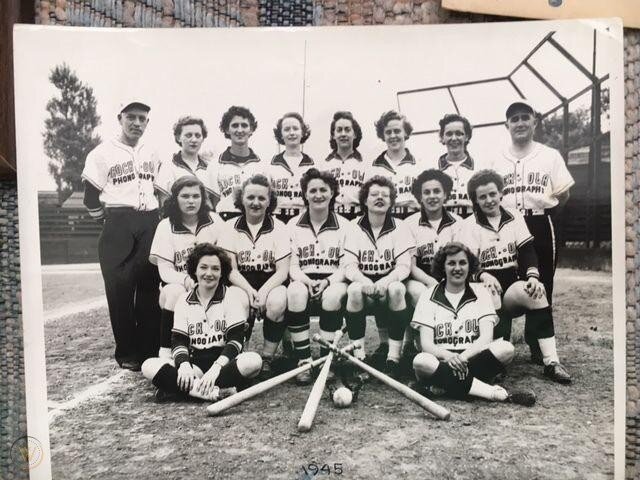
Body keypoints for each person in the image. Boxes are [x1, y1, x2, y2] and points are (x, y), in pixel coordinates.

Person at [458, 169, 571, 384]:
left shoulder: (514, 216)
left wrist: (533, 277)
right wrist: (482, 275)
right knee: (491, 293)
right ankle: (495, 359)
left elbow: (527, 250)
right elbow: (467, 262)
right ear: (475, 200)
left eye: (492, 194)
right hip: (480, 289)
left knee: (536, 292)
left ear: (501, 193)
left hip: (509, 284)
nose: (489, 200)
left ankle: (551, 362)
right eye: (482, 197)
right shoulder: (469, 224)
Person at [489, 100, 575, 364]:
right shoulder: (496, 158)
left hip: (539, 221)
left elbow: (564, 194)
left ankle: (538, 344)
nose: (520, 123)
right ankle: (498, 338)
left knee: (542, 281)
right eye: (514, 119)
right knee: (505, 276)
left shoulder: (550, 155)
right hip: (506, 224)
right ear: (507, 125)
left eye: (525, 117)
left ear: (535, 122)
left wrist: (544, 217)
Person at [81, 99, 161, 371]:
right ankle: (127, 352)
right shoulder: (101, 153)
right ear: (120, 118)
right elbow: (90, 197)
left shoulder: (153, 152)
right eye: (132, 117)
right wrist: (108, 221)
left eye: (142, 119)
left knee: (149, 289)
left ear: (147, 123)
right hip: (118, 220)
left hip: (149, 220)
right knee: (120, 291)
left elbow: (160, 190)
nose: (137, 123)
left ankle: (149, 350)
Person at [411, 242, 535, 406]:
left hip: (473, 360)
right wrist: (449, 357)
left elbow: (486, 337)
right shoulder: (428, 295)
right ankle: (494, 393)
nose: (457, 268)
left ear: (470, 266)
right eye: (451, 263)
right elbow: (426, 344)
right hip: (441, 361)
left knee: (506, 349)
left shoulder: (481, 292)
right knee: (421, 361)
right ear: (443, 267)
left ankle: (442, 385)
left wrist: (462, 357)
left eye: (462, 263)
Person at [141, 243, 262, 402]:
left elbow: (235, 341)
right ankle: (211, 392)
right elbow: (179, 341)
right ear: (194, 270)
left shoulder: (231, 297)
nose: (209, 273)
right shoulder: (183, 300)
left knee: (253, 361)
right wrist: (184, 365)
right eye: (203, 267)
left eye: (215, 269)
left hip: (225, 364)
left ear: (222, 272)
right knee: (148, 365)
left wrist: (215, 369)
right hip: (195, 365)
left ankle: (185, 390)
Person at [285, 168, 351, 384]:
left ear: (332, 192)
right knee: (294, 291)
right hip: (304, 278)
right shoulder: (292, 225)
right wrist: (306, 281)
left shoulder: (345, 226)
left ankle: (325, 359)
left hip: (333, 280)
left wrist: (327, 281)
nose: (318, 195)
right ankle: (303, 360)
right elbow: (292, 266)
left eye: (324, 189)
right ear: (305, 194)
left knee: (332, 295)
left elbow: (346, 266)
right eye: (312, 190)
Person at [343, 176, 413, 379]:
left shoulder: (400, 226)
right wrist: (364, 281)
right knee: (353, 290)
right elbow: (349, 265)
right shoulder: (353, 226)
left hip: (388, 286)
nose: (379, 198)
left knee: (397, 289)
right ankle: (359, 357)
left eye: (385, 195)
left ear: (392, 201)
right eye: (374, 194)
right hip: (364, 286)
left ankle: (393, 358)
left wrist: (384, 282)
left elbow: (404, 266)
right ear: (365, 200)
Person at [149, 175, 225, 361]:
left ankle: (224, 351)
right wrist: (187, 280)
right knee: (175, 292)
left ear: (203, 198)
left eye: (196, 196)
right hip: (179, 285)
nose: (191, 201)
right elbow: (164, 271)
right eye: (185, 196)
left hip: (210, 281)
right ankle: (166, 353)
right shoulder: (165, 226)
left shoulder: (214, 220)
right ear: (175, 199)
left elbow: (225, 260)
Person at [217, 174, 290, 350]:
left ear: (269, 201)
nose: (255, 202)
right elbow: (230, 270)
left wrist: (263, 293)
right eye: (250, 197)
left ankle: (267, 356)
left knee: (278, 301)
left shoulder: (279, 227)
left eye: (261, 198)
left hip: (271, 282)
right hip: (241, 282)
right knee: (236, 300)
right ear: (241, 199)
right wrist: (250, 291)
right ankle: (240, 354)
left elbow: (282, 271)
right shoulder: (229, 226)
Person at [404, 169, 461, 309]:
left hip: (450, 277)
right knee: (420, 293)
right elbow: (410, 265)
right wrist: (431, 282)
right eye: (427, 192)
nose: (432, 196)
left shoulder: (458, 222)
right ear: (420, 197)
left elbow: (460, 261)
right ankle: (418, 330)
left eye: (437, 191)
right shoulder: (409, 224)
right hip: (418, 279)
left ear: (445, 194)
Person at [206, 106, 262, 219]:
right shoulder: (215, 164)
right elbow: (212, 202)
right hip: (225, 220)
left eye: (244, 125)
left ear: (251, 129)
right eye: (235, 125)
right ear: (227, 129)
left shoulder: (261, 164)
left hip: (254, 220)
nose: (240, 130)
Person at [368, 110, 420, 219]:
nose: (393, 136)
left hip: (414, 223)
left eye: (397, 131)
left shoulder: (419, 165)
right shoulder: (373, 169)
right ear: (383, 135)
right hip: (385, 223)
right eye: (388, 132)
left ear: (405, 132)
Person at [266, 112, 315, 221]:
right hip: (276, 219)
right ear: (281, 134)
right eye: (287, 129)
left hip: (304, 219)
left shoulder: (313, 165)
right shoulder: (270, 165)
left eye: (295, 129)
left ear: (302, 133)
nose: (292, 133)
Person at [154, 116, 210, 206]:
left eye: (198, 135)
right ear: (179, 137)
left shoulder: (209, 168)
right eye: (188, 135)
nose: (194, 140)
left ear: (203, 138)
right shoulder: (168, 166)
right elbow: (164, 204)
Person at [324, 111, 367, 220]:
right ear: (333, 135)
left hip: (358, 218)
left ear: (355, 134)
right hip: (332, 218)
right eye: (339, 130)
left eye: (347, 130)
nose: (343, 134)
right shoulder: (324, 165)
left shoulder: (365, 164)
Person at [437, 114, 476, 218]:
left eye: (459, 134)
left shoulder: (480, 168)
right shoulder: (433, 170)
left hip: (472, 223)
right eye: (449, 134)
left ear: (467, 137)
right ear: (442, 137)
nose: (454, 138)